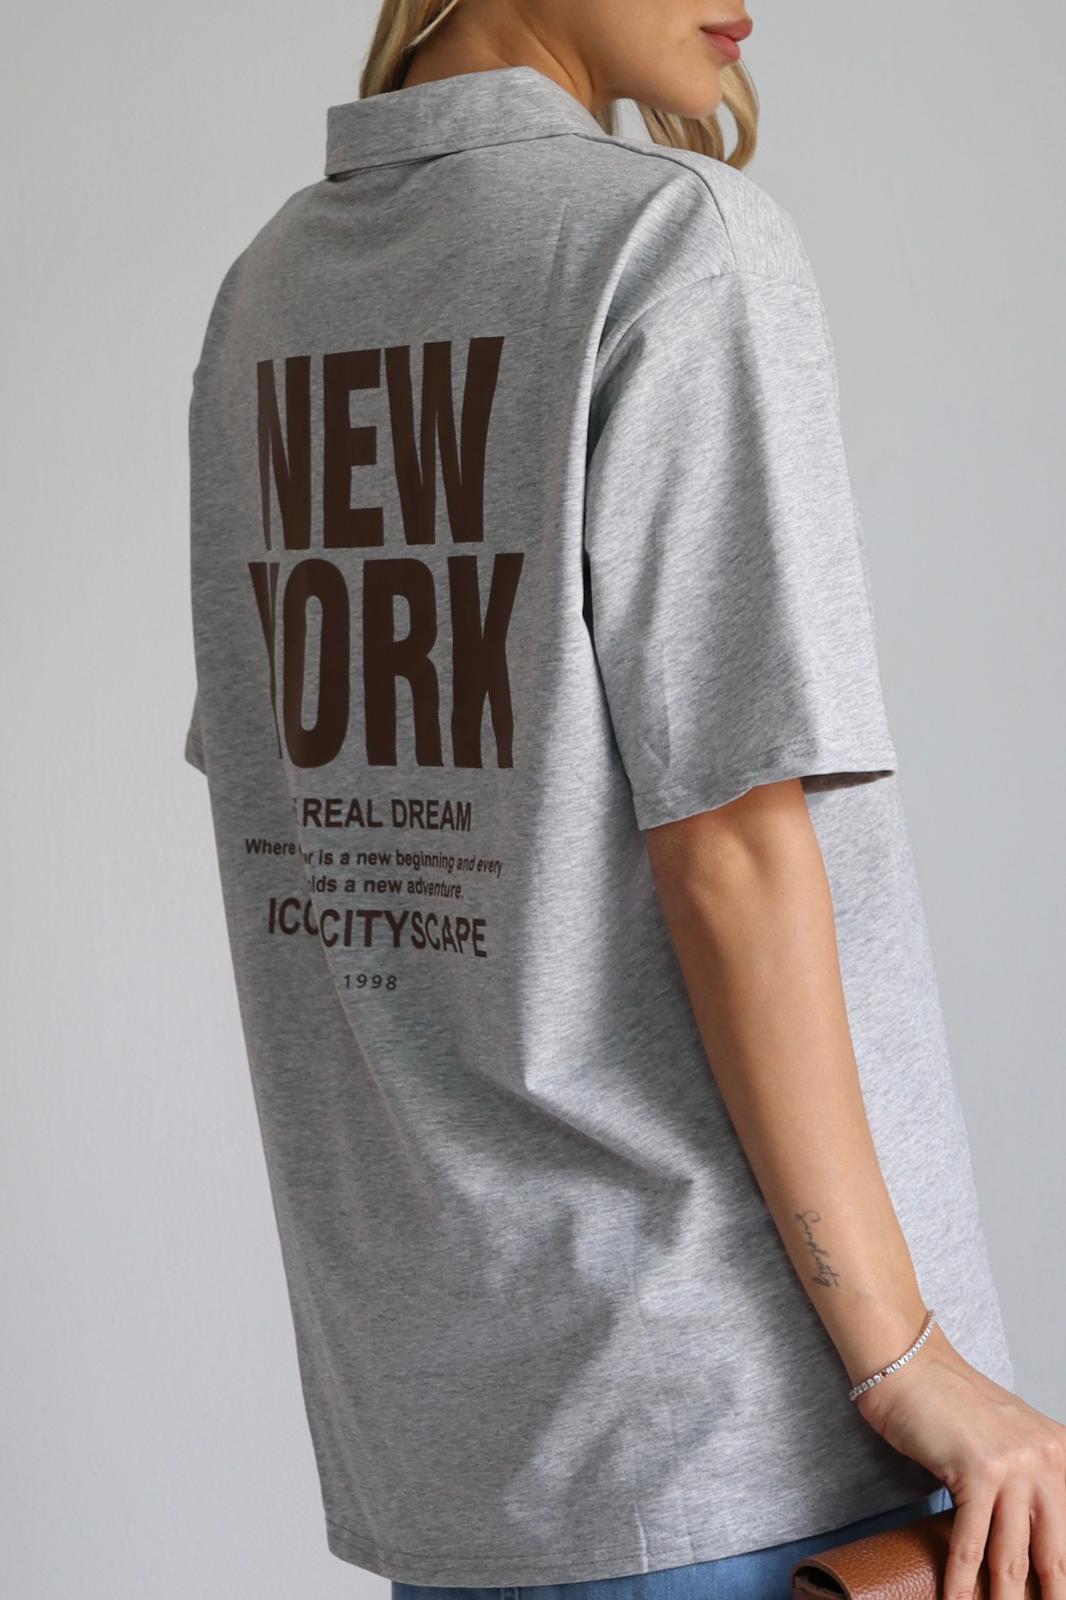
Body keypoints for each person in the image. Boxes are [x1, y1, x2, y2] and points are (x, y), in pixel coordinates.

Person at [182, 3, 1066, 1598]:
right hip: (739, 1431)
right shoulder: (666, 238)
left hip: (454, 1449)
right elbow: (728, 844)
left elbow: (316, 819)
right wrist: (905, 1357)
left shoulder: (272, 287)